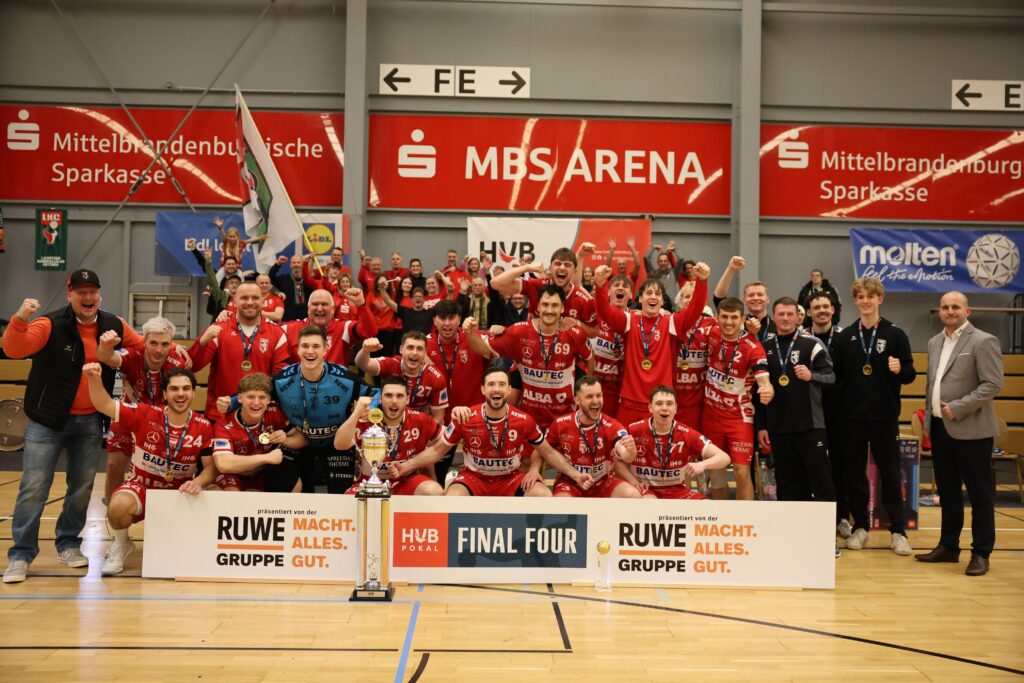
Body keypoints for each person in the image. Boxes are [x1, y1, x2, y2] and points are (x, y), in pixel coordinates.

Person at [2, 272, 152, 584]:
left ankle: (68, 544)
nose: (88, 297)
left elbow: (144, 349)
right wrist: (20, 318)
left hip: (90, 421)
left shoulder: (113, 324)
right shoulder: (49, 324)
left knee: (81, 489)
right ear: (70, 295)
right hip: (47, 420)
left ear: (99, 295)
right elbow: (13, 350)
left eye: (93, 291)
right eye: (81, 292)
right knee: (34, 487)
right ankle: (20, 555)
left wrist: (174, 350)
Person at [83, 364, 216, 576]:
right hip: (141, 487)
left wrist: (198, 482)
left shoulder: (204, 426)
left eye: (186, 388)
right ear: (164, 394)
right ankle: (121, 543)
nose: (180, 394)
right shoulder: (145, 413)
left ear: (193, 393)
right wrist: (94, 379)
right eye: (174, 389)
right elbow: (105, 404)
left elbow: (210, 469)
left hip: (179, 492)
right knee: (117, 507)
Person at [219, 325, 379, 494]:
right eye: (305, 346)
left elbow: (376, 392)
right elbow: (258, 391)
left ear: (325, 349)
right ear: (298, 350)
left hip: (336, 442)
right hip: (298, 439)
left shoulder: (345, 378)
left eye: (316, 346)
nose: (310, 351)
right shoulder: (282, 379)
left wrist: (371, 408)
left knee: (342, 493)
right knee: (279, 481)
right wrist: (231, 402)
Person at [917, 292, 1003, 576]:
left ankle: (981, 552)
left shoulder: (983, 340)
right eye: (945, 307)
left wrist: (957, 407)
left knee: (979, 495)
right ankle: (948, 546)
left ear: (968, 310)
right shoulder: (935, 342)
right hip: (940, 428)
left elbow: (993, 384)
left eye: (955, 307)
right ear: (940, 311)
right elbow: (932, 384)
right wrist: (930, 420)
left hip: (972, 430)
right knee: (948, 492)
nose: (950, 311)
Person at [833, 277, 915, 556]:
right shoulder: (845, 337)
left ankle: (898, 532)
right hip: (851, 419)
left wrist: (900, 368)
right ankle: (861, 527)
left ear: (880, 299)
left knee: (890, 474)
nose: (865, 301)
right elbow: (837, 379)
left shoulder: (896, 334)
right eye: (860, 297)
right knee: (855, 475)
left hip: (884, 417)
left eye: (870, 296)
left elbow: (910, 374)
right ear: (855, 301)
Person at [399, 366, 557, 497]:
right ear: (483, 389)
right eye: (491, 384)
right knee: (452, 496)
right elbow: (436, 451)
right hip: (473, 478)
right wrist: (405, 466)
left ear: (509, 389)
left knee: (543, 494)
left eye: (502, 384)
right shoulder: (465, 417)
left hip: (510, 478)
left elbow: (548, 452)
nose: (496, 389)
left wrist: (537, 469)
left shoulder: (524, 419)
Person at [591, 263, 709, 426]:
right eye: (648, 293)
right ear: (640, 299)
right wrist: (600, 285)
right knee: (624, 442)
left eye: (657, 294)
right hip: (629, 402)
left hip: (660, 404)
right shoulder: (629, 320)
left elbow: (695, 310)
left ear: (662, 300)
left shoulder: (671, 322)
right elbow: (605, 311)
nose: (653, 297)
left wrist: (702, 282)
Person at [466, 285, 594, 429]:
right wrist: (469, 332)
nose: (549, 310)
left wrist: (586, 391)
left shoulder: (575, 333)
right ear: (538, 307)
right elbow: (482, 348)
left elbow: (590, 358)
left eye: (554, 305)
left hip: (564, 419)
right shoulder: (518, 332)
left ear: (562, 308)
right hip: (529, 419)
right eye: (545, 304)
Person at [94, 317, 188, 506]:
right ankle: (113, 509)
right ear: (144, 341)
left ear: (171, 344)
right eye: (153, 343)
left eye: (165, 344)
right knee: (114, 463)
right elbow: (107, 357)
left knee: (162, 469)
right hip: (130, 413)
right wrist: (105, 346)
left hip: (162, 419)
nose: (158, 350)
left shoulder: (177, 361)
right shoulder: (133, 353)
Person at [755, 298, 837, 507]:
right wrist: (762, 425)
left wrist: (812, 376)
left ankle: (827, 528)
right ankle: (791, 527)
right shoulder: (763, 348)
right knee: (786, 483)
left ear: (798, 317)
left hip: (810, 426)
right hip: (779, 428)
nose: (785, 318)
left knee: (820, 480)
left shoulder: (812, 344)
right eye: (781, 314)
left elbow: (831, 377)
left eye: (790, 314)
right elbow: (758, 392)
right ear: (774, 317)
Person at [700, 297, 773, 501]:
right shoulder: (712, 333)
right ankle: (721, 516)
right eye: (724, 317)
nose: (729, 322)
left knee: (741, 472)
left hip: (739, 419)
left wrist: (767, 389)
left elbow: (764, 378)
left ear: (742, 319)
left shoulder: (752, 346)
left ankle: (744, 518)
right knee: (716, 474)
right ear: (717, 317)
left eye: (734, 317)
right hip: (711, 417)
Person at [188, 280, 290, 421]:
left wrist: (237, 401)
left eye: (255, 298)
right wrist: (201, 343)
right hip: (221, 415)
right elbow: (193, 366)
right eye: (244, 298)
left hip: (260, 416)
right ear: (234, 301)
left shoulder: (277, 333)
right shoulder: (219, 329)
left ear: (263, 301)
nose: (250, 302)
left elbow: (279, 380)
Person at [334, 379, 444, 495]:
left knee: (434, 491)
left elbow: (446, 440)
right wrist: (356, 413)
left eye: (400, 396)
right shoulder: (366, 418)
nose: (394, 401)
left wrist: (423, 457)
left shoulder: (419, 419)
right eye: (388, 395)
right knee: (347, 502)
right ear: (380, 398)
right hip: (368, 483)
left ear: (407, 399)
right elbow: (339, 445)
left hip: (405, 481)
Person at [424, 300, 490, 482]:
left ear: (459, 319)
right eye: (442, 318)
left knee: (483, 473)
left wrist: (498, 329)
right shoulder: (423, 345)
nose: (447, 323)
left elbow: (498, 345)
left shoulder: (473, 338)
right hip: (442, 420)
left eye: (451, 318)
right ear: (434, 320)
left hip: (475, 417)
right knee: (437, 473)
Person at [624, 385, 730, 499]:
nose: (664, 408)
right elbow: (617, 461)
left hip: (677, 491)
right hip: (647, 490)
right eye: (659, 403)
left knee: (705, 507)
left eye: (669, 404)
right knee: (650, 503)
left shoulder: (686, 433)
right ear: (650, 407)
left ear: (675, 408)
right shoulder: (634, 430)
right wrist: (633, 481)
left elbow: (724, 458)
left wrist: (702, 465)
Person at [544, 376, 641, 498]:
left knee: (633, 495)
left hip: (603, 482)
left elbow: (626, 456)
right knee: (561, 502)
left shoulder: (612, 425)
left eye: (599, 395)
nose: (595, 401)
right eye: (589, 396)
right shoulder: (561, 424)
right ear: (577, 400)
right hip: (570, 482)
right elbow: (542, 450)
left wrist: (631, 452)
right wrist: (534, 469)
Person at [211, 372, 308, 492]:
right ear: (240, 398)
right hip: (234, 474)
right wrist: (266, 458)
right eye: (251, 397)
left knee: (293, 483)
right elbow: (224, 464)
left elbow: (304, 438)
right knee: (231, 491)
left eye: (262, 397)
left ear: (269, 399)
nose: (256, 403)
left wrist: (285, 440)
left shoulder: (275, 412)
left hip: (262, 473)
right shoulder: (224, 423)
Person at [804, 291, 850, 536]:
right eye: (816, 307)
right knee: (814, 467)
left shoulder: (845, 337)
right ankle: (814, 516)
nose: (821, 311)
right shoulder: (801, 338)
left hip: (840, 412)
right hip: (810, 413)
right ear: (809, 312)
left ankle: (842, 516)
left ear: (833, 310)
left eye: (825, 306)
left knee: (841, 466)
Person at [491, 247, 598, 335]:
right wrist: (527, 267)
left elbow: (594, 332)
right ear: (550, 268)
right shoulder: (537, 285)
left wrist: (577, 323)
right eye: (557, 263)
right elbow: (495, 283)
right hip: (534, 347)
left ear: (575, 271)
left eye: (567, 265)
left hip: (566, 352)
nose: (562, 267)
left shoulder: (584, 299)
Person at [355, 331, 449, 425]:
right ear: (401, 349)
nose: (414, 353)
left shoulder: (436, 377)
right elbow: (361, 363)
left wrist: (424, 432)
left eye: (419, 349)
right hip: (387, 421)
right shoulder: (391, 364)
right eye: (410, 347)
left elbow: (438, 417)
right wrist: (365, 350)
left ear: (425, 353)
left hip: (418, 425)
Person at [281, 288, 376, 366]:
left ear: (333, 309)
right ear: (308, 308)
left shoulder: (344, 328)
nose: (319, 308)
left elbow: (370, 331)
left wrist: (361, 304)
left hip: (336, 382)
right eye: (315, 304)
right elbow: (272, 331)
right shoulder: (291, 329)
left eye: (324, 304)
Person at [672, 280, 716, 430]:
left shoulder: (711, 324)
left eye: (693, 296)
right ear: (680, 300)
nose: (689, 300)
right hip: (673, 396)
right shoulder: (671, 321)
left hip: (698, 400)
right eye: (686, 296)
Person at [591, 274, 632, 419]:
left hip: (616, 387)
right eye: (616, 285)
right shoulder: (596, 310)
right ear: (608, 292)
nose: (620, 288)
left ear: (631, 295)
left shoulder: (635, 319)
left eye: (625, 286)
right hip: (592, 381)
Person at [713, 256, 776, 342]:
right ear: (744, 300)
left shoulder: (777, 326)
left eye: (760, 294)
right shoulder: (737, 322)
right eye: (751, 295)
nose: (755, 298)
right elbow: (718, 298)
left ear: (768, 299)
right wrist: (731, 269)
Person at [269, 254, 313, 322]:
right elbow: (270, 278)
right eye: (294, 263)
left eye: (298, 262)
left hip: (307, 320)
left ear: (303, 264)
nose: (296, 264)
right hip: (288, 320)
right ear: (290, 265)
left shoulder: (309, 280)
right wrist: (277, 264)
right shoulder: (283, 279)